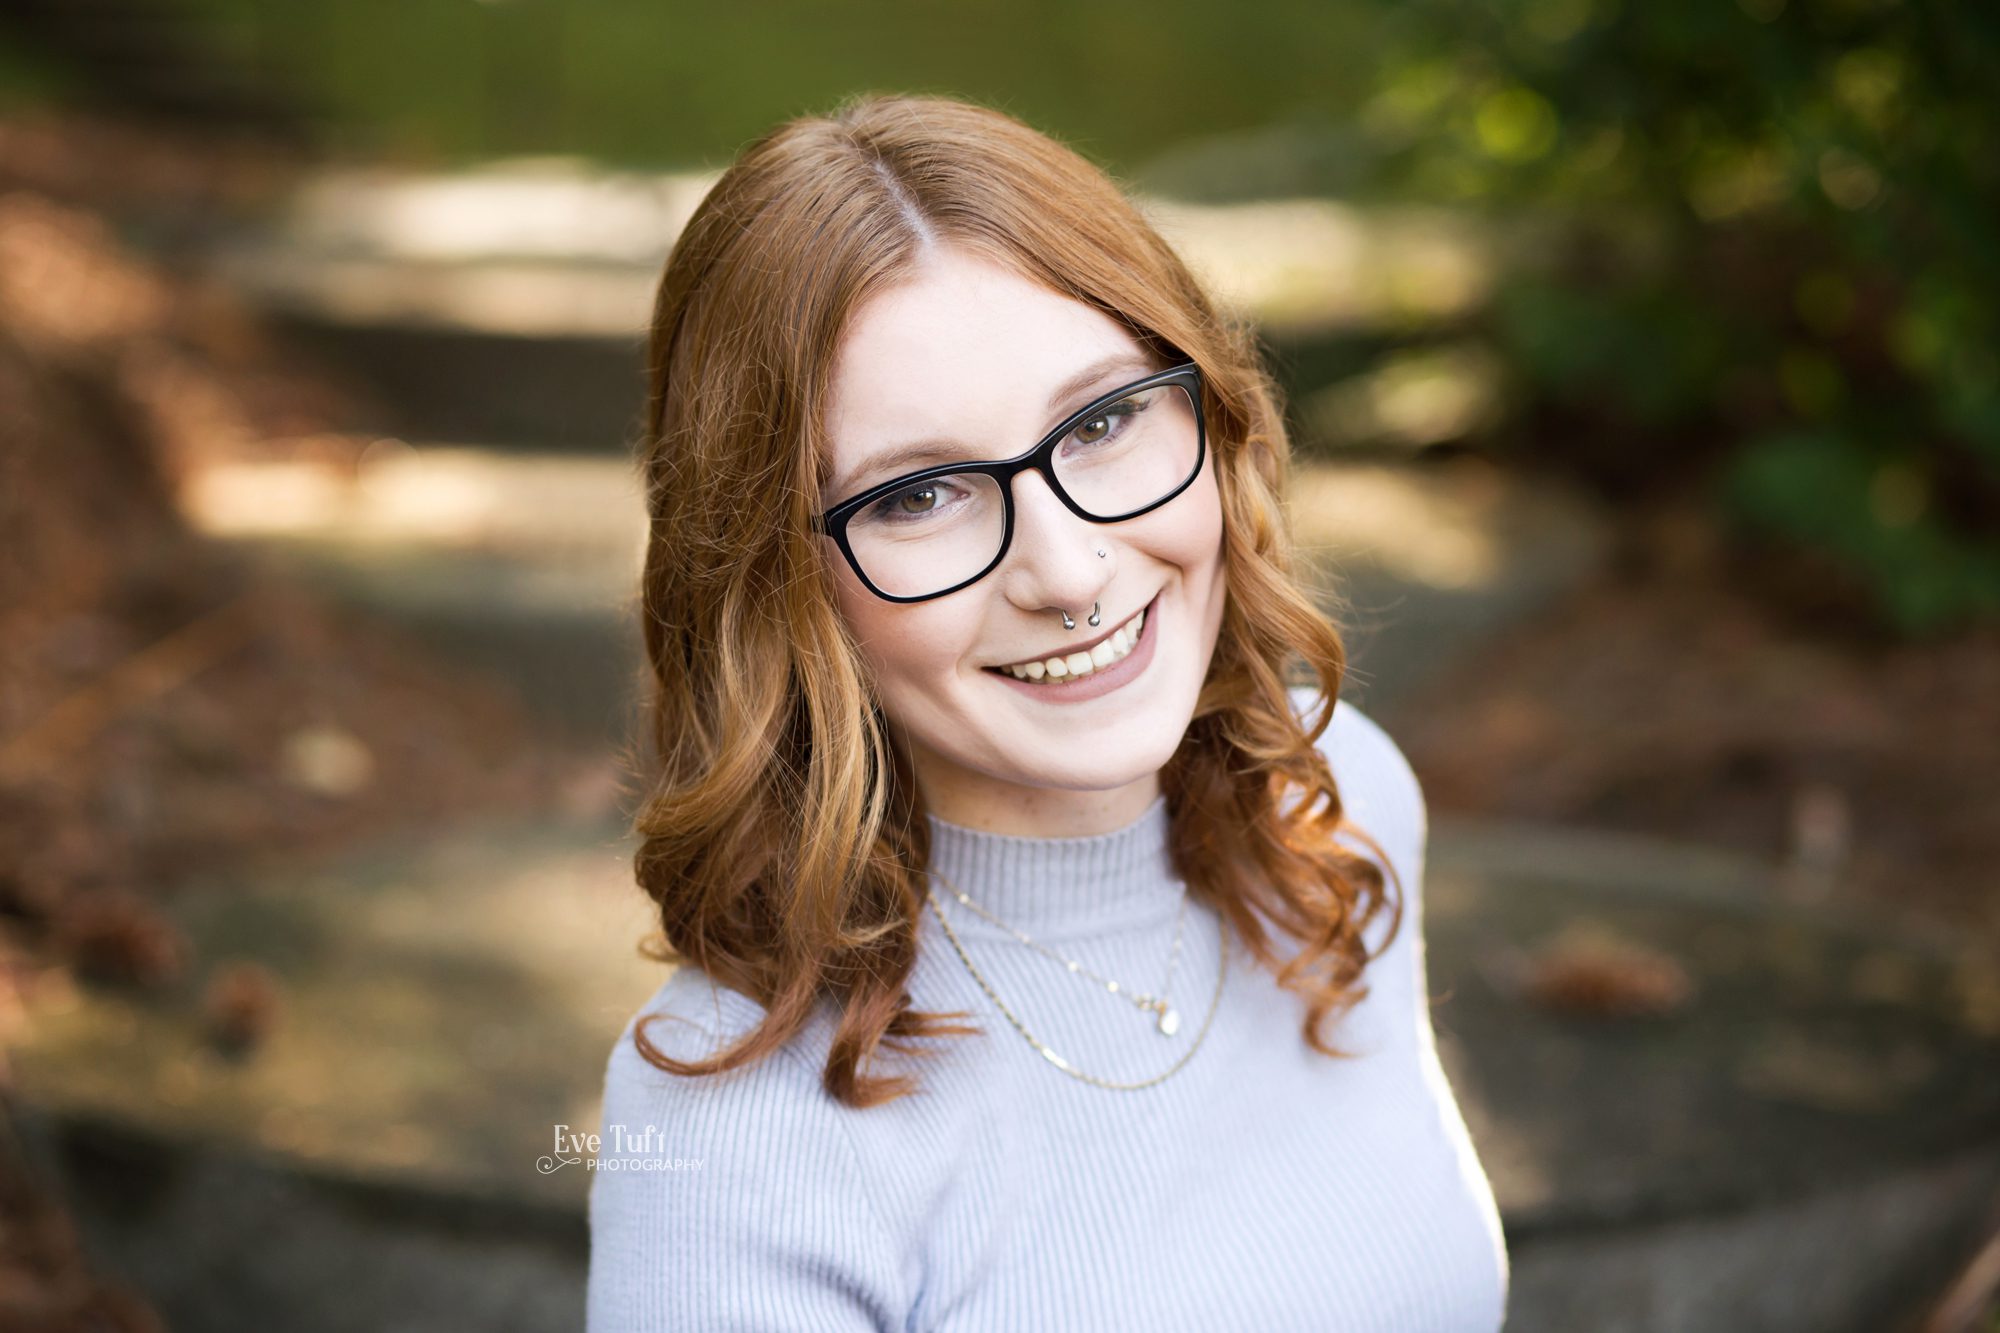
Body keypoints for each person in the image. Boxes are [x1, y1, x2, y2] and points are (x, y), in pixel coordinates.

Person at [587, 91, 1510, 1331]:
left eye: (1105, 419)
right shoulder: (731, 1127)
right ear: (772, 585)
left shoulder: (1332, 805)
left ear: (1210, 407)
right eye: (919, 495)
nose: (1068, 573)